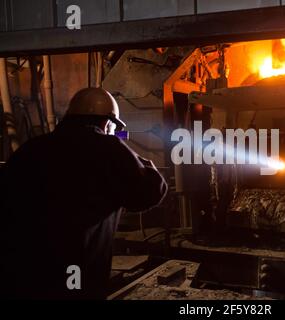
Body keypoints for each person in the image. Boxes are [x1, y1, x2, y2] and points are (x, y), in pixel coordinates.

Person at [0, 87, 167, 299]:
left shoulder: (31, 148)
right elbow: (148, 193)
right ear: (108, 123)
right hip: (74, 270)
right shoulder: (108, 148)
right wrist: (148, 167)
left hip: (22, 271)